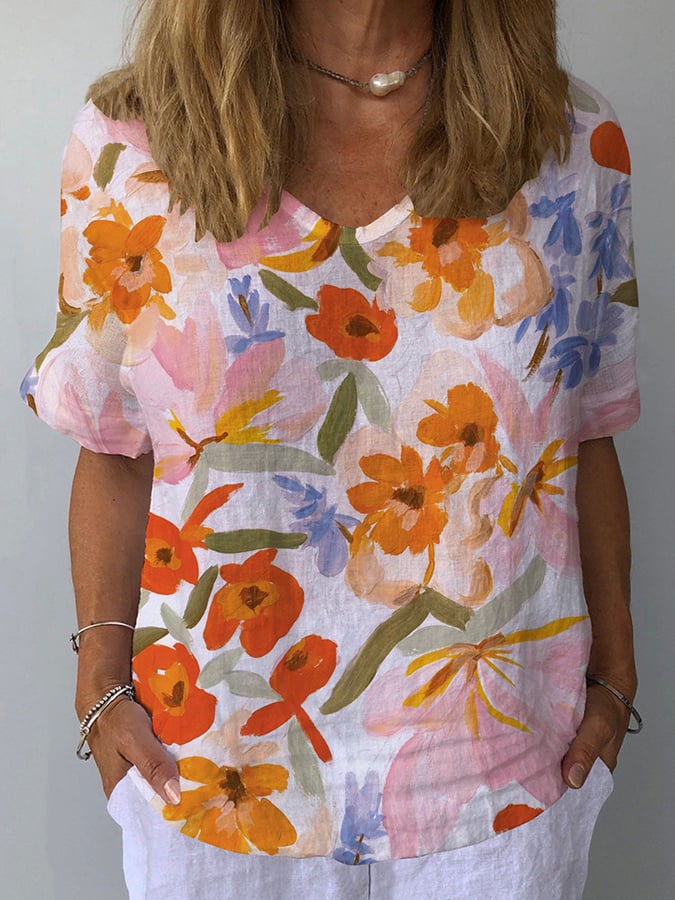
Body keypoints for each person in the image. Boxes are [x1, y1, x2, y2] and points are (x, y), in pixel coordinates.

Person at [20, 1, 643, 897]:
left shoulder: (570, 143)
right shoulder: (132, 146)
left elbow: (584, 431)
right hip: (211, 786)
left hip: (501, 797)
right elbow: (114, 447)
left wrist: (616, 678)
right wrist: (99, 688)